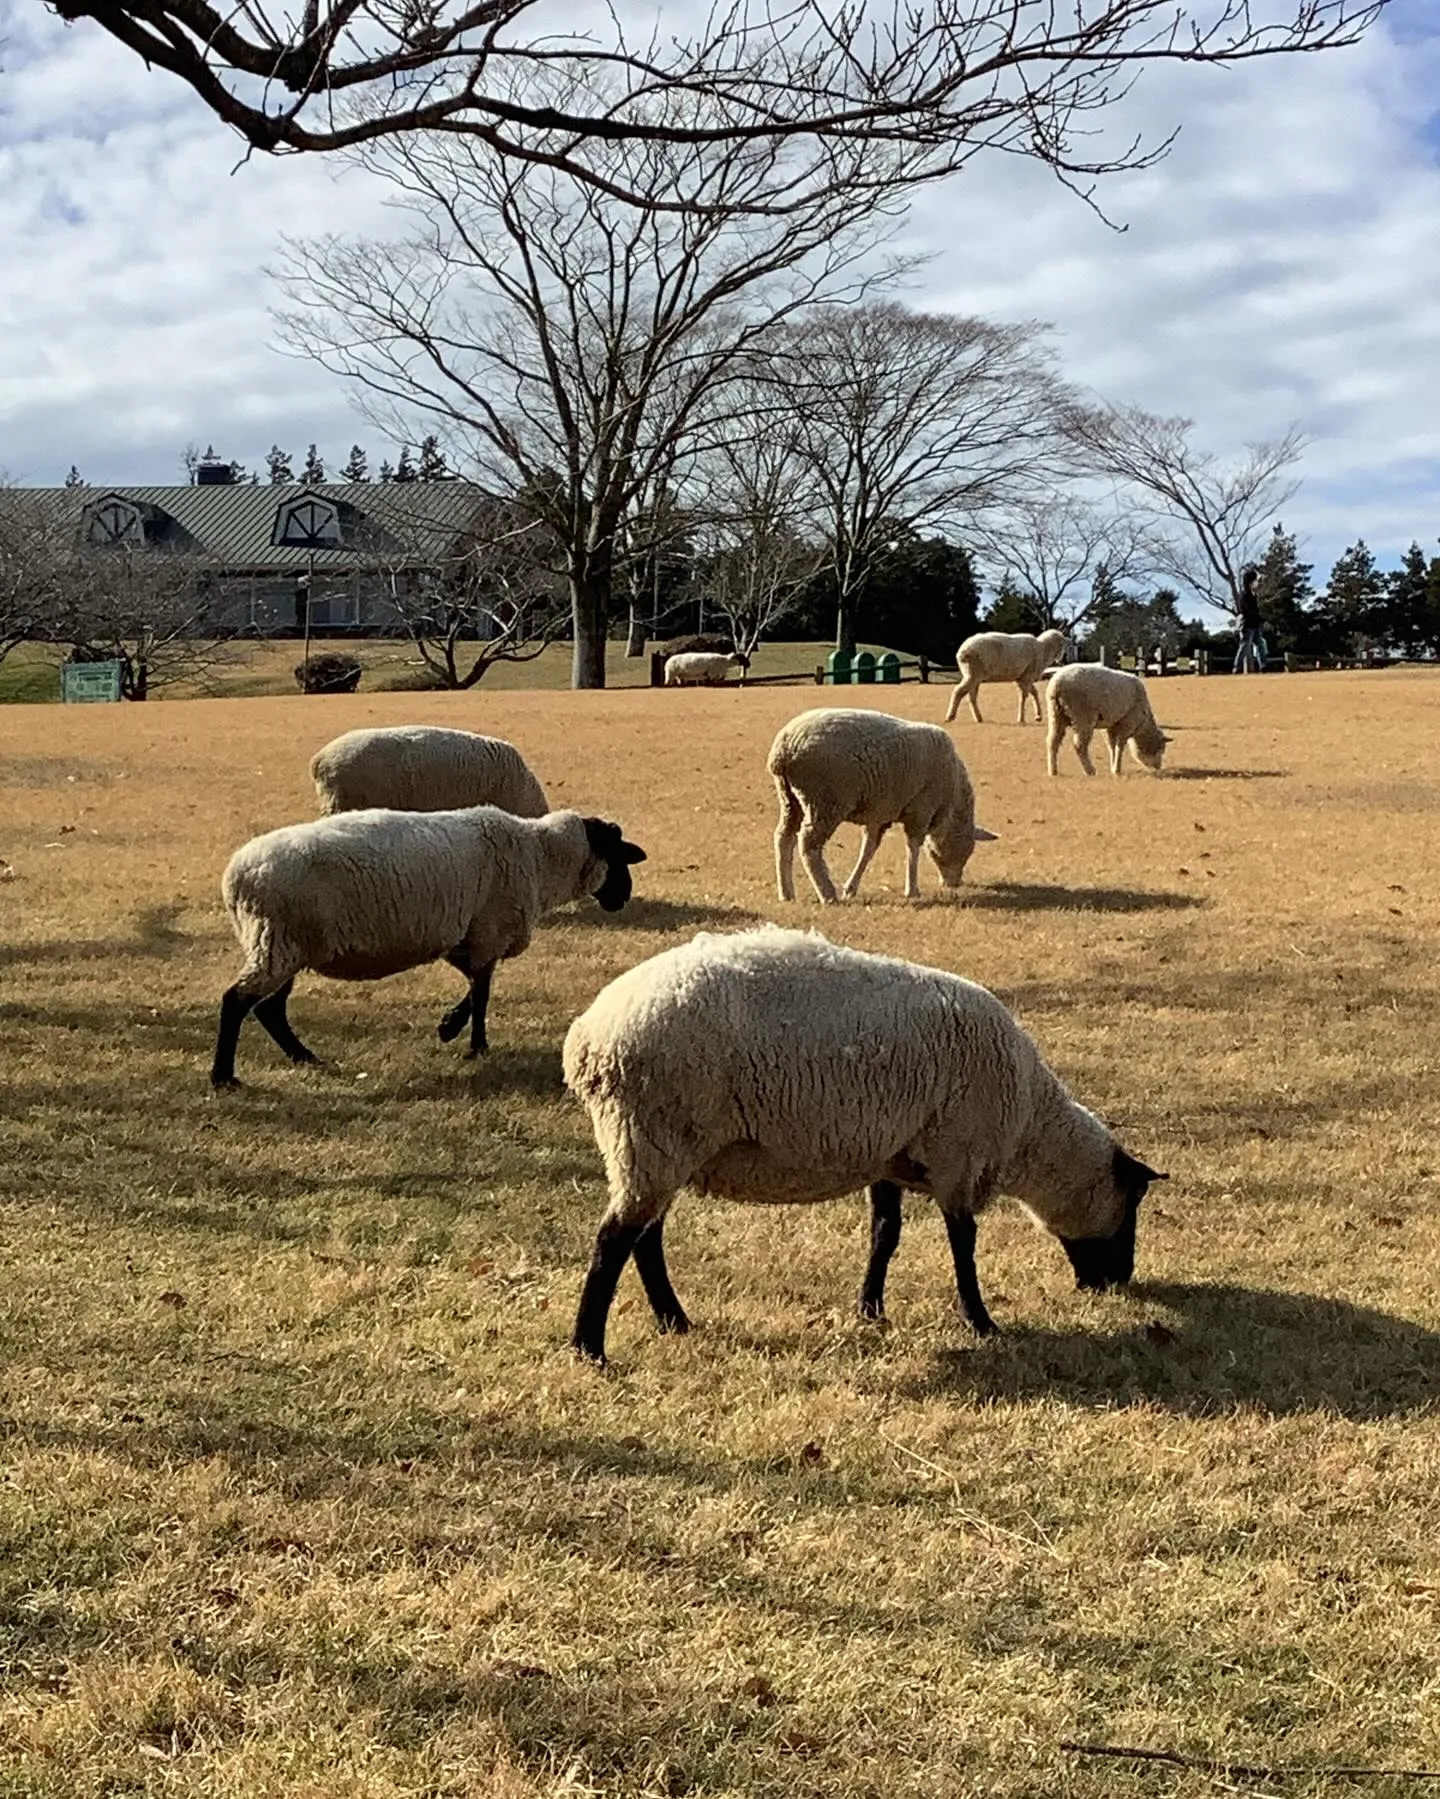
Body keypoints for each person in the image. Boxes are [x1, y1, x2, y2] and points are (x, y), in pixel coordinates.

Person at [1233, 568, 1266, 674]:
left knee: (1260, 644)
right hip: (1247, 625)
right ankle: (1237, 667)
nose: (1257, 582)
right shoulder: (1245, 596)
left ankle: (1263, 666)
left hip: (1254, 625)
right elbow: (1248, 612)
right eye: (1255, 580)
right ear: (1250, 582)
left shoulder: (1253, 595)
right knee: (1244, 646)